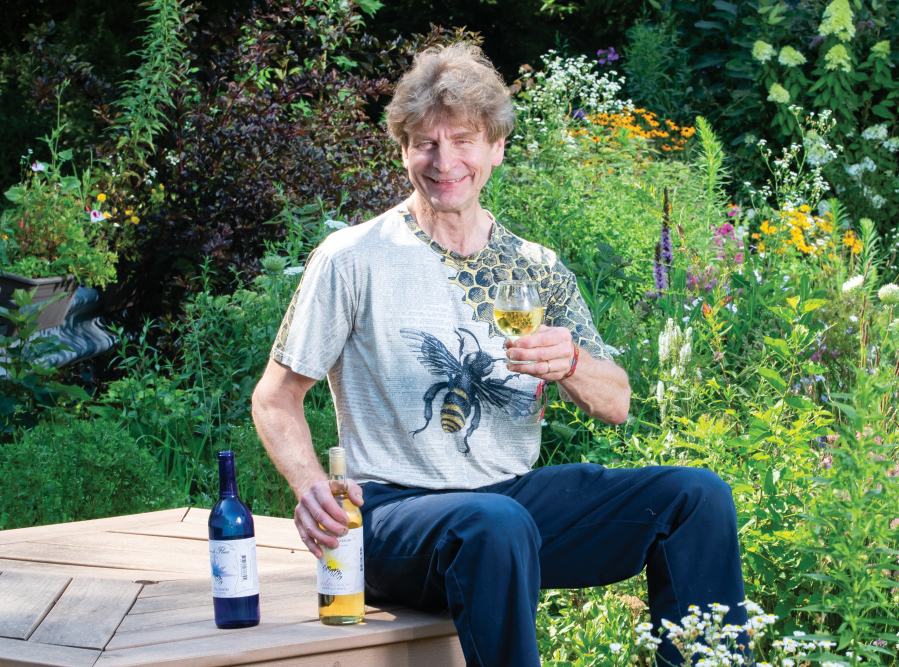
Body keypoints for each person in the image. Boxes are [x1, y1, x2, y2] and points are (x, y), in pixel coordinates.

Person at [252, 42, 748, 667]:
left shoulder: (536, 267)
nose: (444, 161)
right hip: (392, 514)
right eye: (425, 143)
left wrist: (571, 364)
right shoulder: (352, 257)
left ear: (496, 149)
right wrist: (310, 489)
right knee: (495, 523)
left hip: (511, 500)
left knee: (695, 497)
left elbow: (617, 402)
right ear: (402, 148)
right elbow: (275, 398)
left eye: (462, 140)